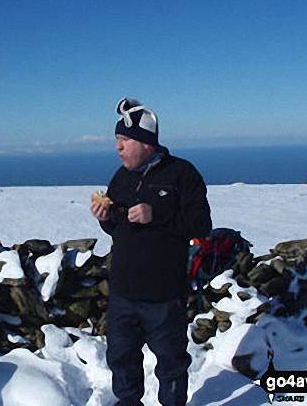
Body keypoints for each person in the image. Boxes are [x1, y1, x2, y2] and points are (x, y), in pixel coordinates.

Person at [90, 98, 212, 406]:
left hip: (164, 296)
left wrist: (155, 214)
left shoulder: (182, 174)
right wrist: (106, 219)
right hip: (123, 293)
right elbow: (119, 229)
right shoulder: (120, 177)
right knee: (121, 357)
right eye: (116, 141)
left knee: (171, 364)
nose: (117, 148)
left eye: (123, 140)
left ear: (145, 143)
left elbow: (201, 224)